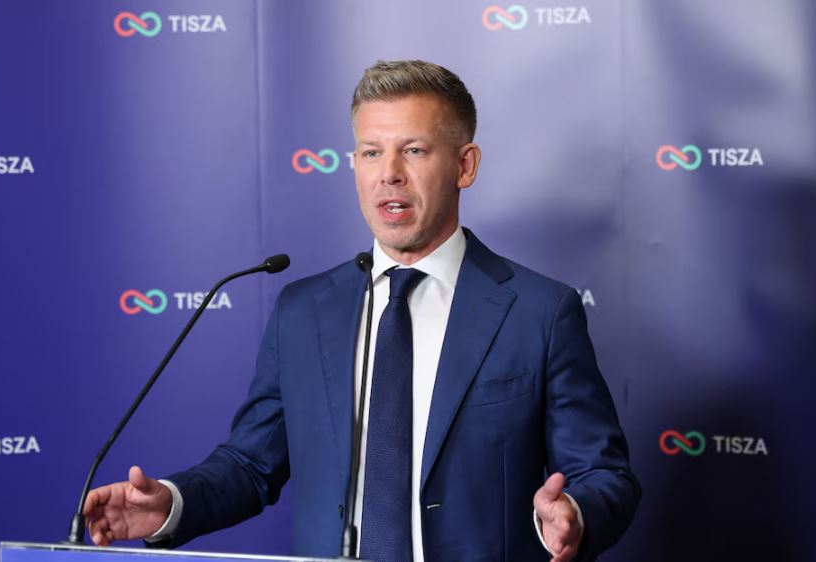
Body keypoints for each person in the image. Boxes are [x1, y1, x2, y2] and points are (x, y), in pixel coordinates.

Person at [84, 60, 640, 562]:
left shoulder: (540, 312)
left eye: (413, 150)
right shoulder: (303, 312)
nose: (388, 172)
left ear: (465, 165)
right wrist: (171, 504)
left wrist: (575, 512)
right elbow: (250, 465)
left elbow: (603, 473)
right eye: (371, 152)